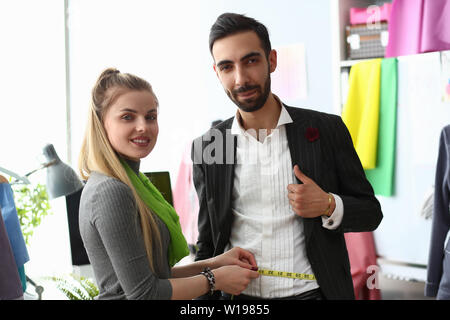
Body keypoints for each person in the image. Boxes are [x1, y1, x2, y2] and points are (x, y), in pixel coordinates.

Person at [191, 13, 383, 300]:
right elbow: (208, 242)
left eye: (251, 61)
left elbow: (370, 213)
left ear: (272, 60)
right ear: (217, 73)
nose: (241, 78)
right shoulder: (210, 145)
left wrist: (329, 204)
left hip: (315, 293)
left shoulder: (326, 130)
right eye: (227, 67)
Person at [78, 68, 259, 300]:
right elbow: (145, 294)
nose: (143, 126)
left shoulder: (133, 183)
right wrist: (215, 280)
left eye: (151, 116)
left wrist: (215, 264)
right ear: (102, 123)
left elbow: (153, 277)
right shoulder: (110, 191)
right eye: (127, 117)